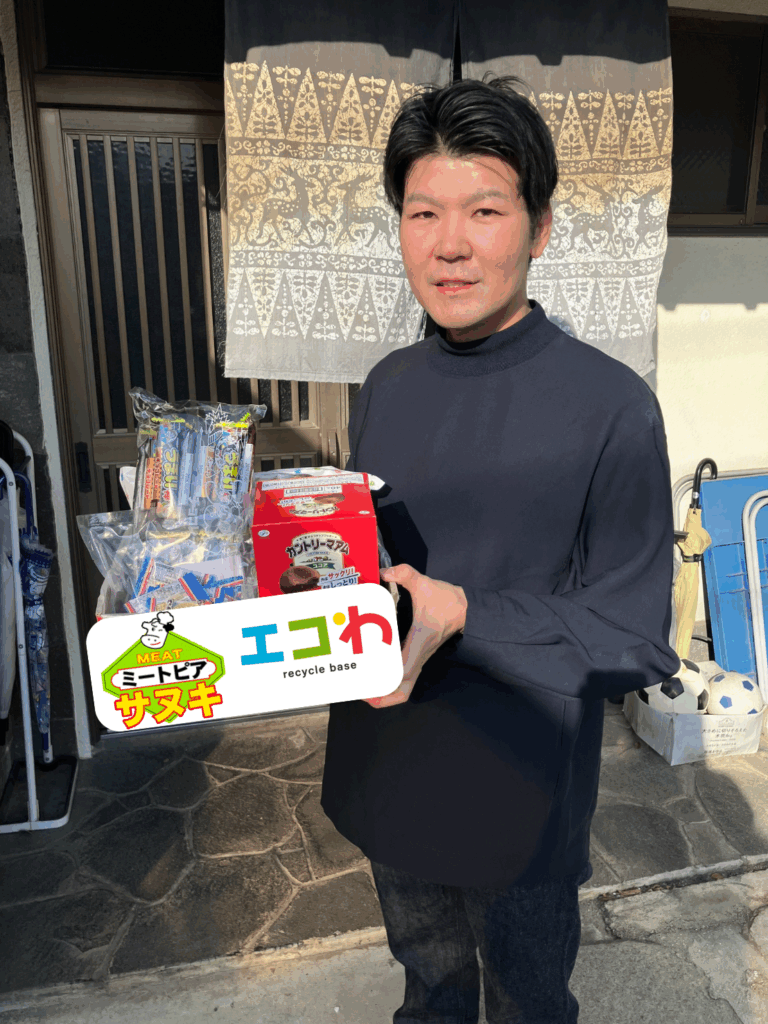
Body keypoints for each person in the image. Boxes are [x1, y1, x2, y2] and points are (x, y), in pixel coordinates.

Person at [320, 74, 679, 1024]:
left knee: (526, 1002)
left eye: (484, 210)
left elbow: (635, 634)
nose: (450, 244)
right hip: (386, 761)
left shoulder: (612, 407)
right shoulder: (388, 383)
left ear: (540, 227)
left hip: (517, 788)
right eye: (422, 212)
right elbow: (368, 571)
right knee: (428, 989)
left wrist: (464, 613)